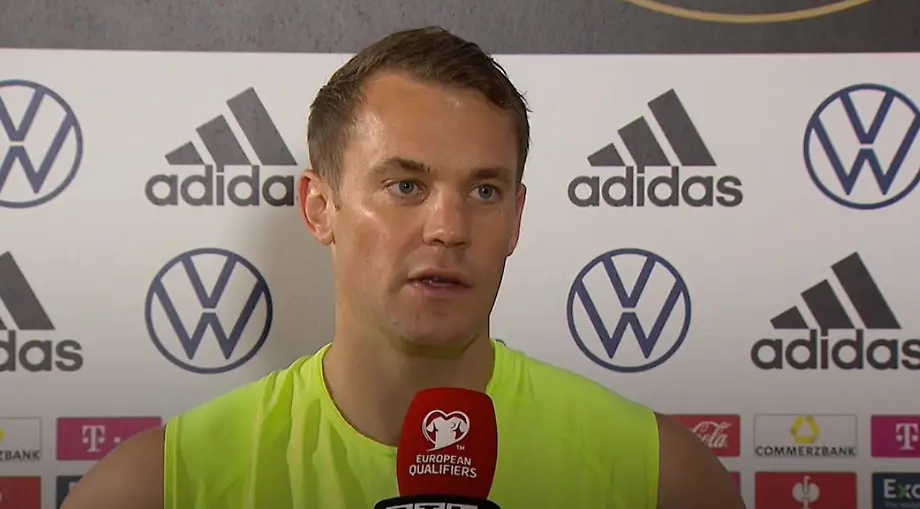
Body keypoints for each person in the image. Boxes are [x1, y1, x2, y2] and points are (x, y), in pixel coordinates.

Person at [62, 26, 745, 509]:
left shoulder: (663, 480)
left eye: (484, 191)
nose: (449, 228)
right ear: (320, 208)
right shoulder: (156, 488)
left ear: (516, 218)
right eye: (406, 186)